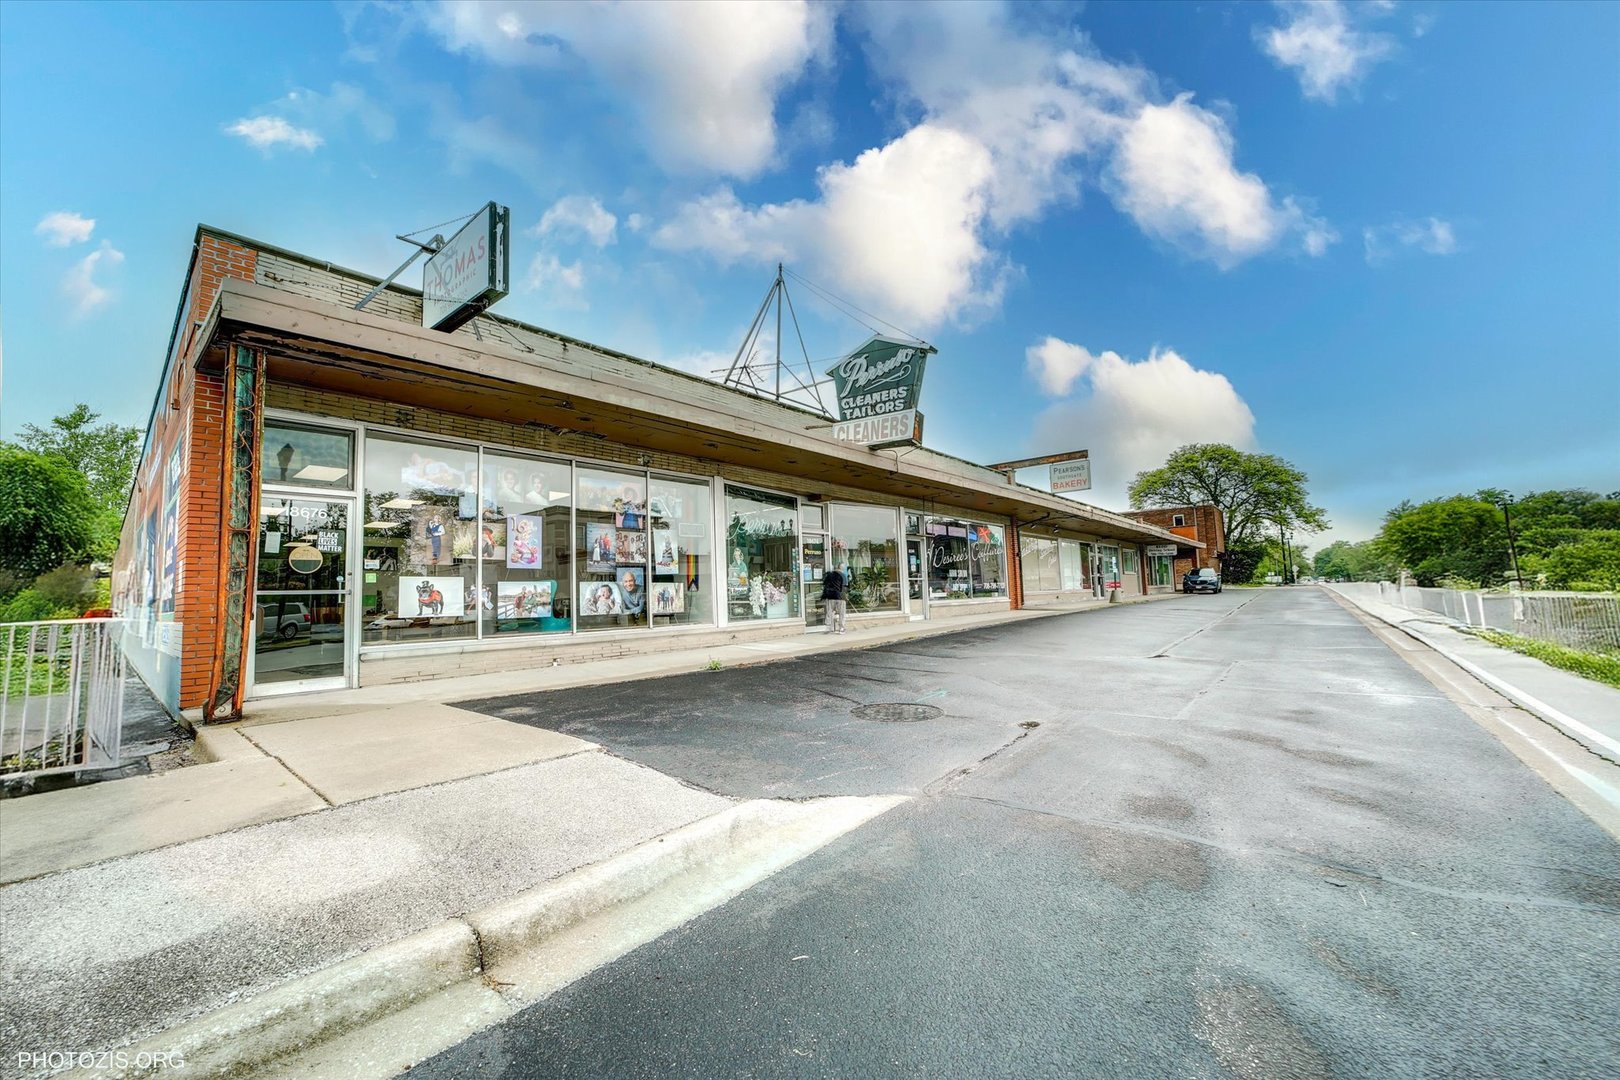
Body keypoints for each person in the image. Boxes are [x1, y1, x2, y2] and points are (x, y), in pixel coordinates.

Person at [821, 564, 847, 633]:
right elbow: (844, 587)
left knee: (829, 612)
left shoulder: (829, 575)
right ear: (841, 568)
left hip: (830, 596)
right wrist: (845, 597)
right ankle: (841, 628)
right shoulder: (843, 575)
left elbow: (825, 584)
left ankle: (828, 627)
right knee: (841, 613)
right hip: (840, 597)